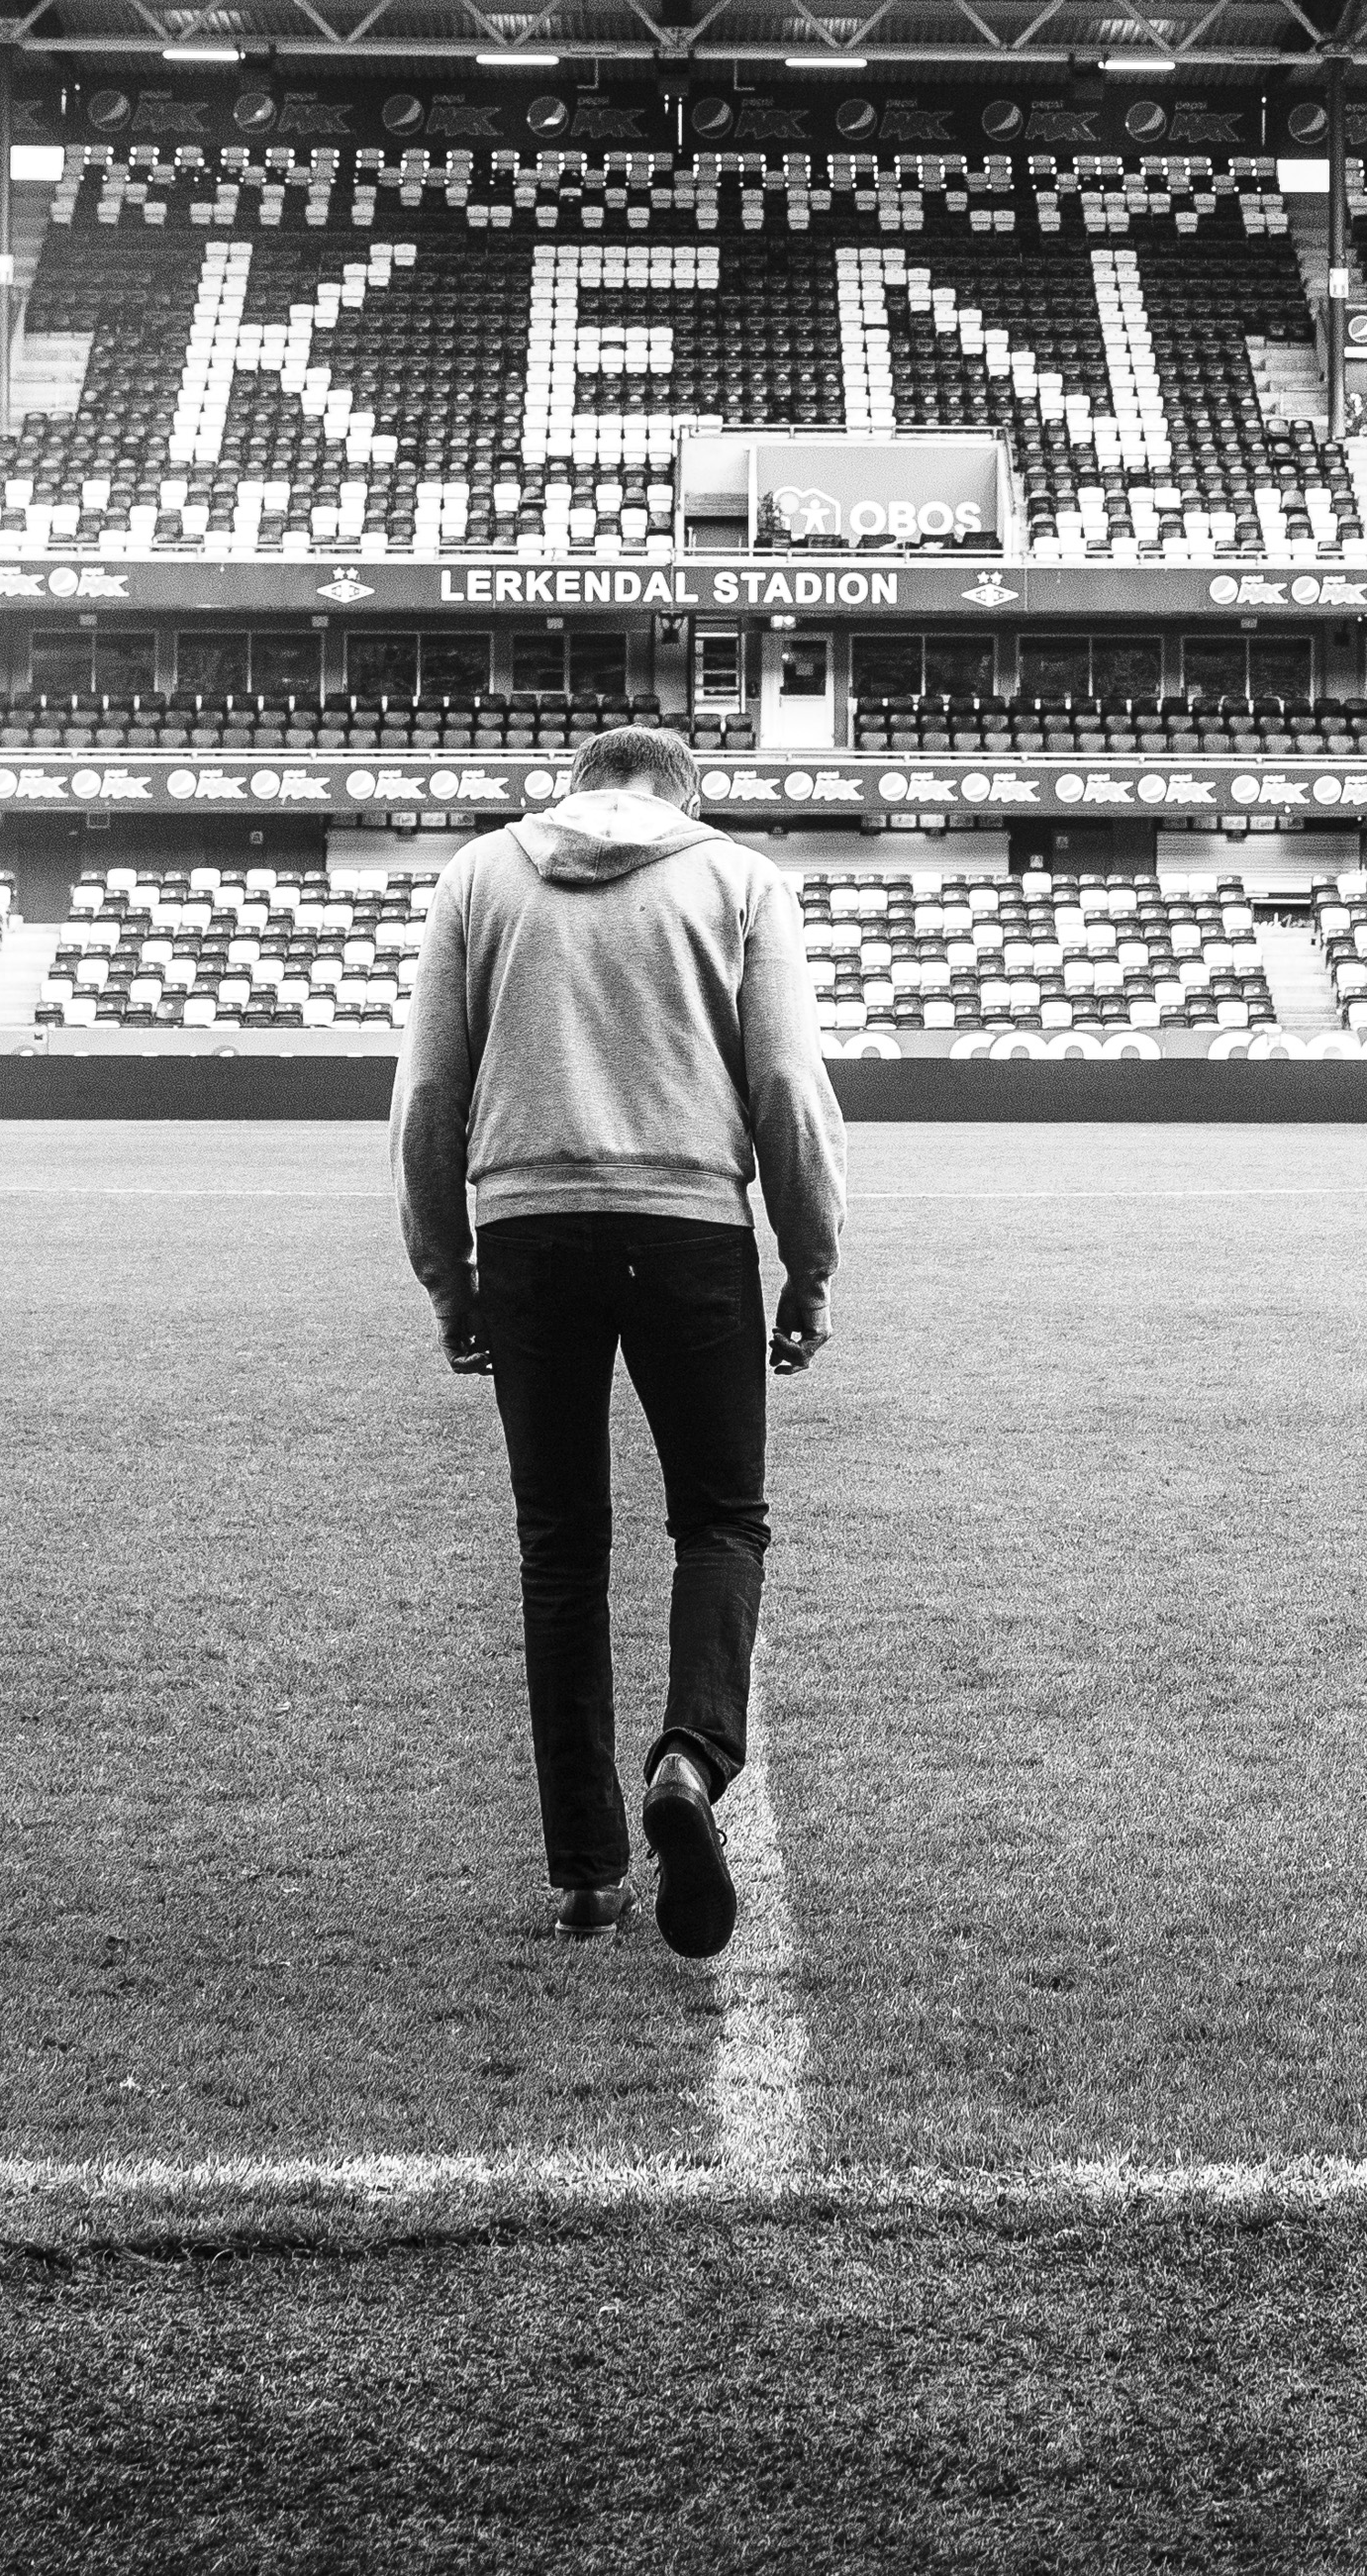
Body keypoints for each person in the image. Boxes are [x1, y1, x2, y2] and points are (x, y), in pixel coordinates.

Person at [394, 724, 846, 1955]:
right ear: (681, 795)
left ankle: (589, 1878)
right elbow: (789, 1089)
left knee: (560, 1549)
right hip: (690, 1223)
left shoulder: (480, 876)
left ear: (578, 789)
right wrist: (808, 1268)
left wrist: (449, 1279)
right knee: (718, 1522)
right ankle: (690, 1764)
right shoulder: (737, 876)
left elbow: (428, 1092)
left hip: (529, 1233)